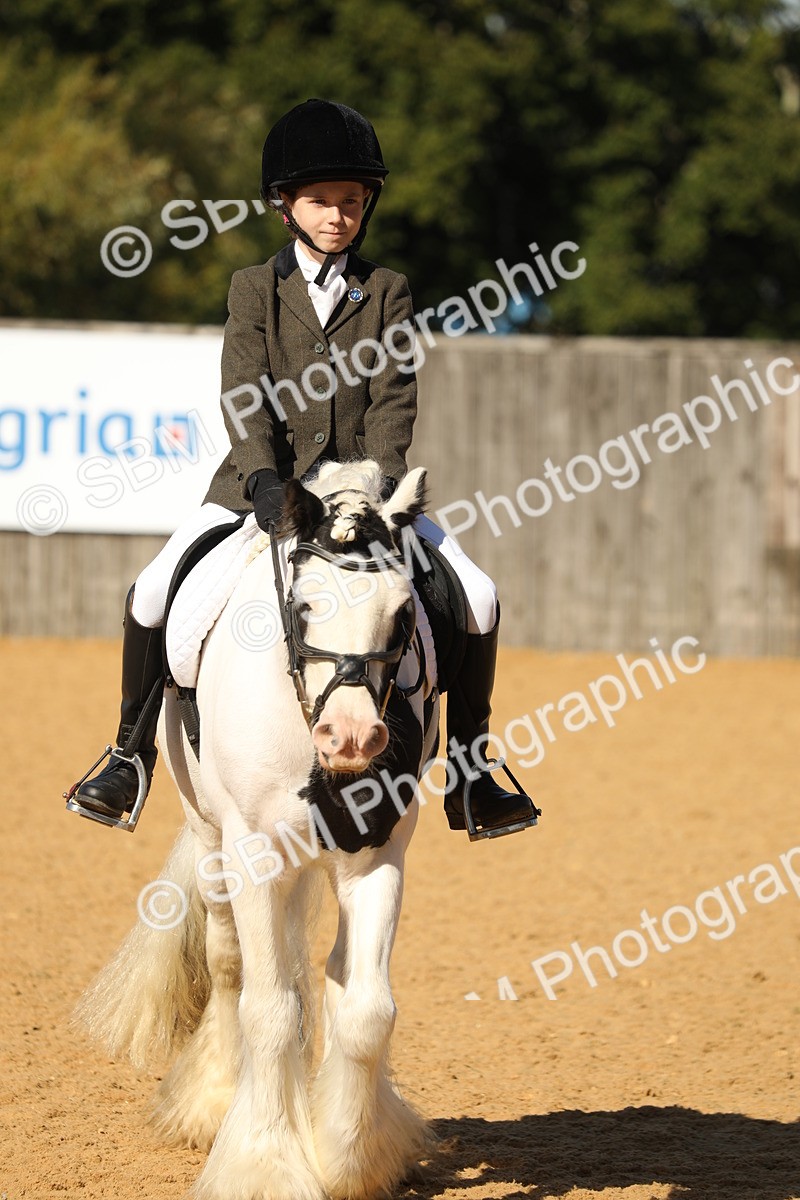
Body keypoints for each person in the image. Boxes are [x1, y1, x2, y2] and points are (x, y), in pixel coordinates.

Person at [69, 98, 539, 839]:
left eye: (352, 202)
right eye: (321, 201)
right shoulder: (254, 289)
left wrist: (377, 488)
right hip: (254, 490)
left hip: (365, 496)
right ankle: (128, 755)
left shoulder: (386, 292)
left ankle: (473, 772)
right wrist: (261, 478)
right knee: (155, 590)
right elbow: (243, 389)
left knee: (477, 596)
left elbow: (393, 400)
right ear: (284, 206)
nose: (339, 216)